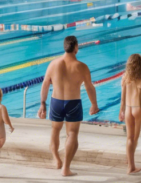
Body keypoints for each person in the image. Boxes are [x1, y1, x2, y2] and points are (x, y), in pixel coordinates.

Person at [38, 36, 100, 177]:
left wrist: (42, 103)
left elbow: (45, 84)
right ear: (76, 47)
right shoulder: (81, 67)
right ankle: (66, 168)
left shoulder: (53, 64)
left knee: (55, 130)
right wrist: (94, 104)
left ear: (64, 46)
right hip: (73, 103)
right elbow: (89, 87)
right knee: (72, 134)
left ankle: (56, 160)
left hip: (56, 102)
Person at [118, 54, 141, 174]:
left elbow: (122, 98)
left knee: (129, 138)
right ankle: (131, 166)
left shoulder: (124, 79)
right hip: (137, 110)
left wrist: (121, 111)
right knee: (135, 138)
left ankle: (130, 161)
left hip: (128, 109)